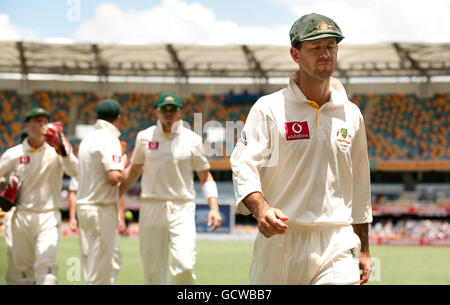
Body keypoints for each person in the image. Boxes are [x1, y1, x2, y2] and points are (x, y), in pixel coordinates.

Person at [230, 13, 373, 285]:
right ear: (295, 54)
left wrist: (364, 247)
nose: (325, 53)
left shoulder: (352, 114)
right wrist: (261, 209)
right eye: (315, 47)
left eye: (331, 46)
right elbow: (243, 163)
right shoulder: (268, 108)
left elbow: (360, 185)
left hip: (337, 240)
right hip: (281, 239)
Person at [120, 93, 222, 285]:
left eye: (172, 109)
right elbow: (134, 170)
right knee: (152, 272)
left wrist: (214, 208)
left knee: (184, 266)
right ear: (157, 112)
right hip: (151, 207)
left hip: (181, 208)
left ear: (180, 112)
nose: (168, 113)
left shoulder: (193, 140)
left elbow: (205, 175)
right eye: (164, 109)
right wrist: (115, 194)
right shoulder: (144, 137)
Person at [0, 107, 78, 284]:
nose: (42, 124)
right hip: (22, 215)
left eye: (45, 120)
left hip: (48, 216)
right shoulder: (13, 154)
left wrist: (62, 150)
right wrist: (5, 191)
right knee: (21, 272)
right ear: (27, 125)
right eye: (37, 120)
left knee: (47, 269)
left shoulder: (56, 150)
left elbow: (76, 171)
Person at [76, 99, 125, 285]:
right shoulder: (110, 138)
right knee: (101, 270)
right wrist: (124, 165)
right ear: (118, 119)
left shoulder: (87, 139)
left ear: (97, 116)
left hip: (85, 207)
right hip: (100, 209)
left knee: (107, 262)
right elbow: (113, 177)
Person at [67, 176, 124, 283]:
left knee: (113, 257)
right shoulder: (81, 165)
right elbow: (73, 192)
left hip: (105, 213)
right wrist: (72, 217)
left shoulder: (109, 165)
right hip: (88, 212)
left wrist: (120, 216)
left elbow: (118, 189)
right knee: (87, 254)